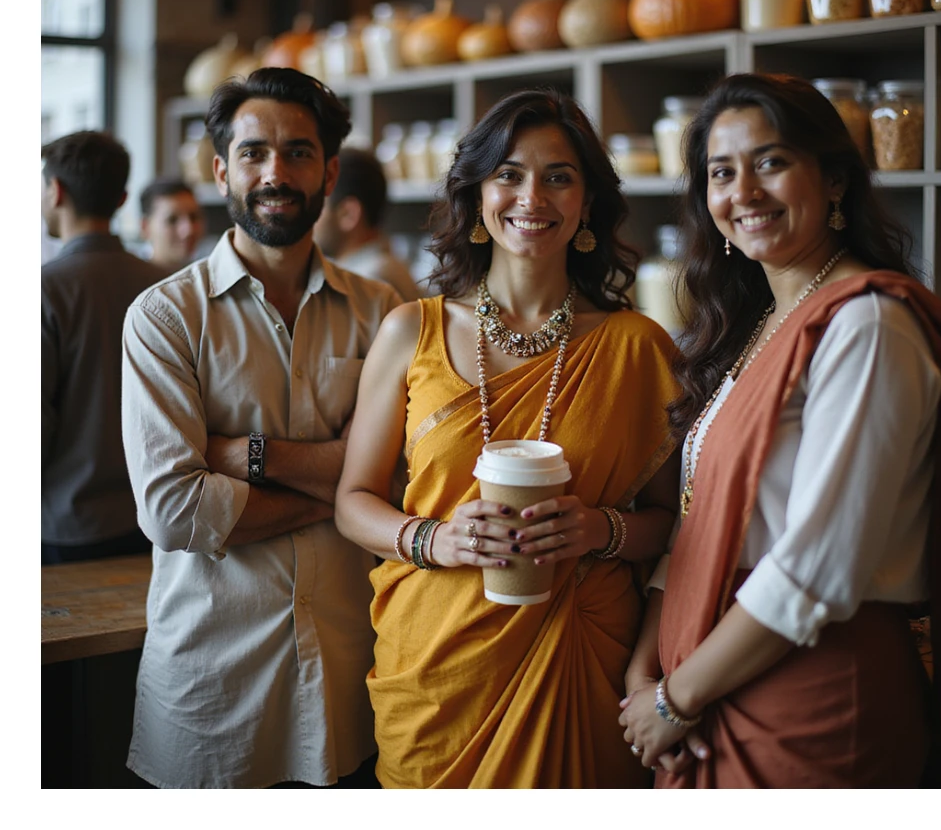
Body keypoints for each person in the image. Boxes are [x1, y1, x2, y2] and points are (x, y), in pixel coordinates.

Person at [618, 73, 941, 788]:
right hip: (712, 673)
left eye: (771, 162)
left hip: (809, 688)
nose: (743, 192)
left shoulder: (867, 325)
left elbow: (822, 566)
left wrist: (673, 697)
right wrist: (648, 663)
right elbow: (703, 518)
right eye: (722, 172)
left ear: (836, 180)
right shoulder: (756, 329)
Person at [334, 87, 682, 788]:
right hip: (436, 674)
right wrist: (435, 539)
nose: (534, 196)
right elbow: (353, 500)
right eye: (510, 174)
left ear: (587, 204)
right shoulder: (412, 330)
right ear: (478, 196)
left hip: (582, 665)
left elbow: (675, 528)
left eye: (559, 176)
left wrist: (598, 530)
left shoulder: (638, 347)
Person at [120, 68, 402, 789]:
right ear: (221, 170)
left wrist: (244, 456)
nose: (275, 173)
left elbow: (405, 478)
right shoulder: (164, 317)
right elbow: (176, 510)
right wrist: (343, 491)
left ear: (330, 170)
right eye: (253, 153)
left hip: (355, 680)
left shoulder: (386, 313)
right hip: (213, 693)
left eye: (299, 153)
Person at [42, 130, 163, 564]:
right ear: (122, 198)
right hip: (154, 519)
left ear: (55, 191)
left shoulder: (44, 289)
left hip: (64, 526)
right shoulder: (164, 286)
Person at [313, 146, 421, 301]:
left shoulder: (370, 279)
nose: (309, 218)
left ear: (348, 214)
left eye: (317, 205)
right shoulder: (373, 268)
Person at [138, 177, 206, 271]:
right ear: (145, 227)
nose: (188, 230)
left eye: (193, 217)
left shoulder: (207, 276)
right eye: (172, 220)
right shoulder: (130, 280)